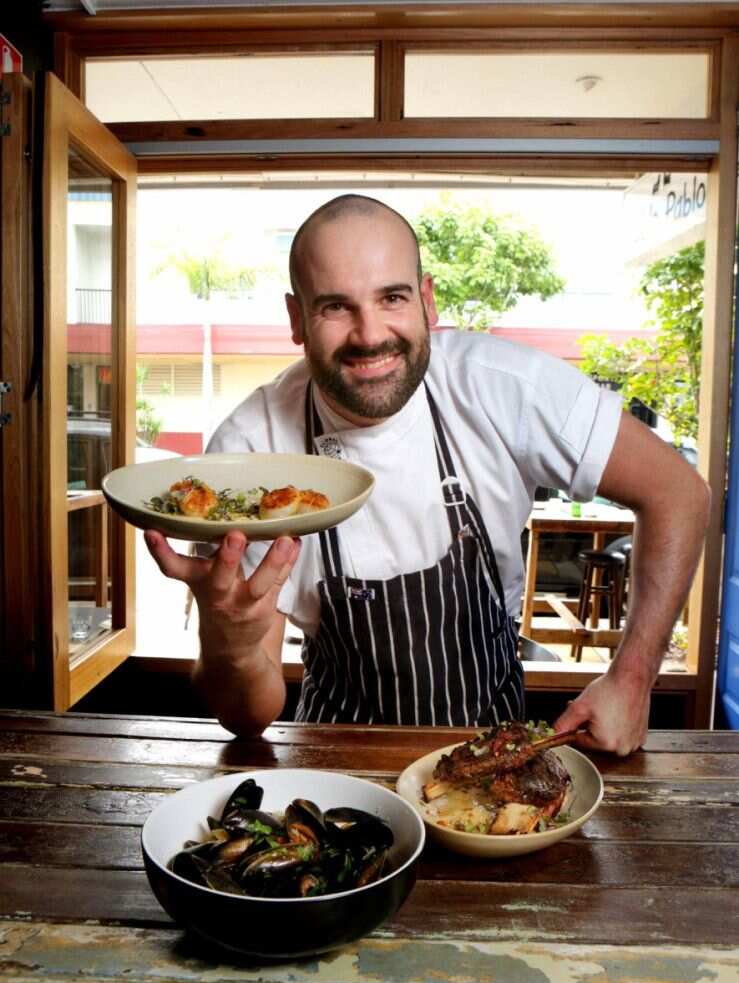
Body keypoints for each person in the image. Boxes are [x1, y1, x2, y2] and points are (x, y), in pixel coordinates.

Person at [145, 194, 710, 753]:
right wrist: (236, 646)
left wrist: (633, 680)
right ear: (297, 319)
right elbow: (248, 717)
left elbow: (678, 491)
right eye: (336, 307)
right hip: (336, 778)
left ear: (427, 301)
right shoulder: (250, 455)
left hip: (492, 768)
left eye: (392, 297)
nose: (370, 335)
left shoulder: (502, 386)